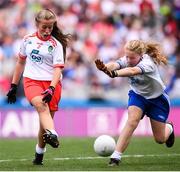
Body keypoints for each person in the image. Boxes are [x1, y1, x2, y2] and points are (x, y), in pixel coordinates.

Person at [95, 40, 175, 166]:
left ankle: (169, 127)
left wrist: (114, 74)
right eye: (127, 56)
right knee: (132, 120)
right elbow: (115, 65)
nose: (128, 59)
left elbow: (132, 71)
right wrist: (105, 68)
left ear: (141, 55)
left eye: (131, 57)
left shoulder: (148, 63)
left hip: (157, 99)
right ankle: (116, 157)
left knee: (160, 139)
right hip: (138, 96)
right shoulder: (127, 59)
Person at [6, 9, 71, 165]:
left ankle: (39, 154)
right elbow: (20, 62)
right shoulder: (27, 40)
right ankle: (54, 134)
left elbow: (58, 69)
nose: (47, 30)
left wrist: (52, 88)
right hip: (32, 81)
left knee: (44, 124)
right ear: (37, 24)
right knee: (42, 106)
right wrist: (14, 85)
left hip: (52, 83)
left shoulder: (56, 44)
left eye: (50, 27)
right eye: (44, 27)